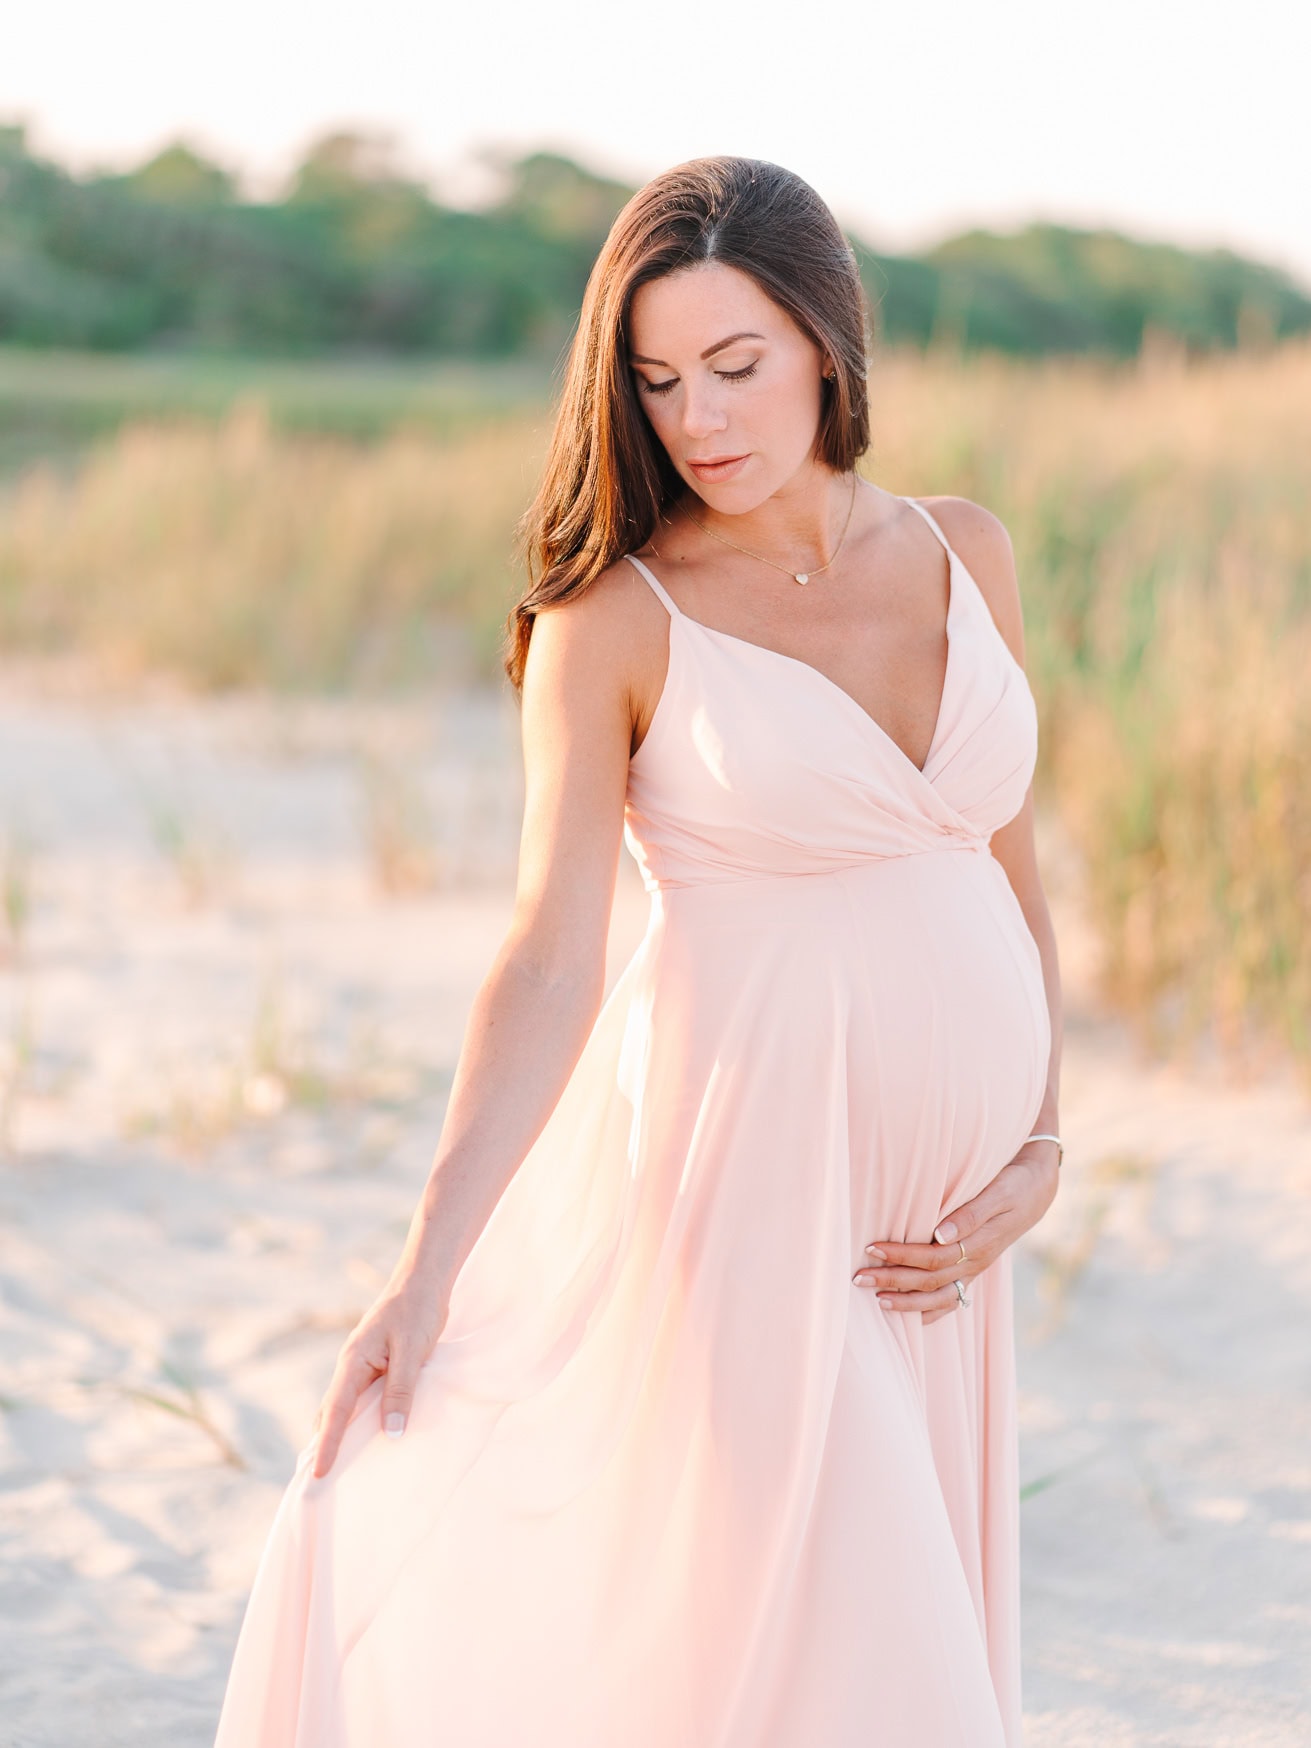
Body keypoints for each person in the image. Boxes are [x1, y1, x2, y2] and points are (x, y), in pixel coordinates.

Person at [212, 155, 1064, 1748]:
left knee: (838, 1651)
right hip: (751, 1191)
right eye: (659, 380)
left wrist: (1044, 1141)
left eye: (737, 367)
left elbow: (1009, 880)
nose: (699, 421)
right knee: (864, 1676)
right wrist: (426, 1264)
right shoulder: (618, 617)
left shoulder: (968, 551)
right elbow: (549, 954)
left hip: (940, 1241)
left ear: (827, 341)